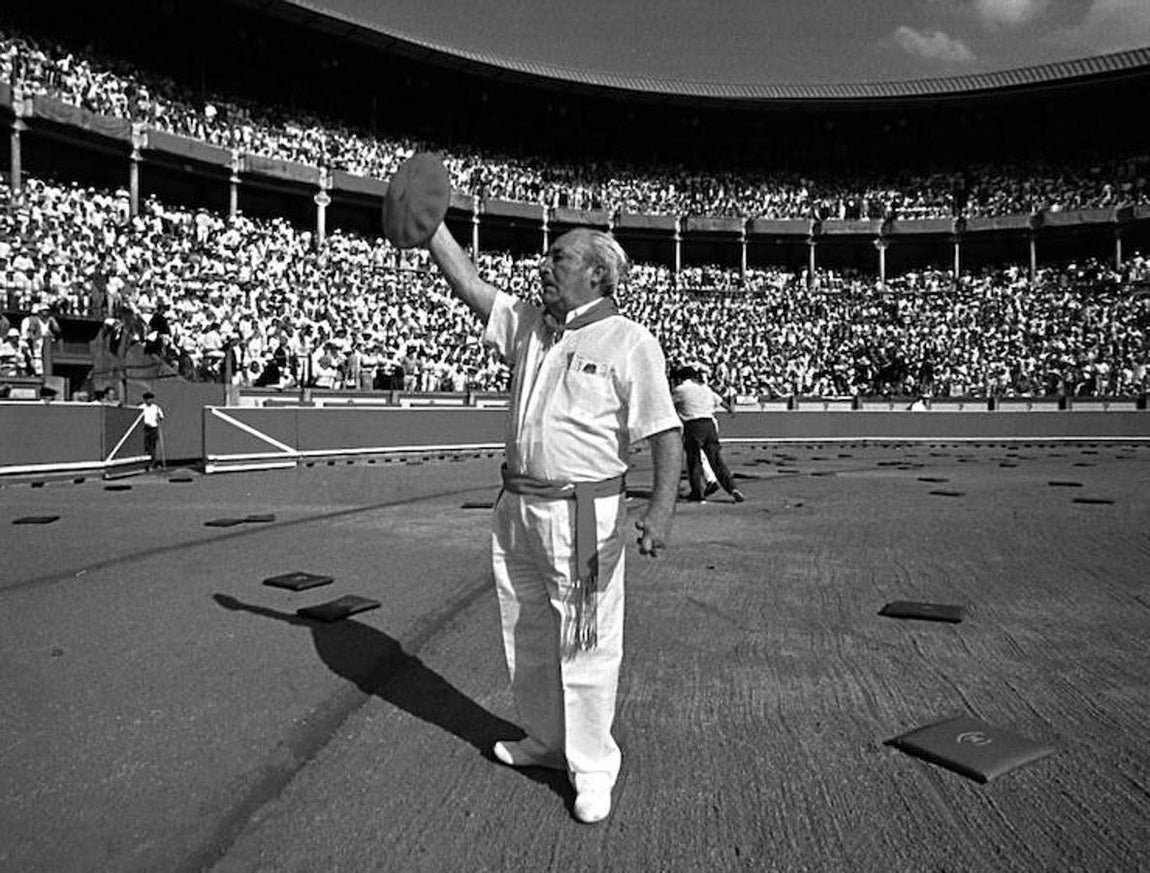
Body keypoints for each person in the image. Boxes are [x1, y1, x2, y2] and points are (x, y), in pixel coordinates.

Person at [424, 221, 682, 824]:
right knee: (527, 632)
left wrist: (661, 509)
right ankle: (545, 741)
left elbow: (664, 430)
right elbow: (470, 285)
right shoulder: (530, 326)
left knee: (586, 641)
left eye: (559, 257)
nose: (544, 265)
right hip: (516, 508)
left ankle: (592, 766)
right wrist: (431, 228)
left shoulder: (629, 341)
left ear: (597, 273)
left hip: (584, 515)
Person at [670, 366, 745, 503]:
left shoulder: (680, 390)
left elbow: (670, 406)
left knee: (694, 461)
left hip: (693, 425)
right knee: (716, 460)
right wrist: (730, 410)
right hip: (709, 425)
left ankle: (697, 493)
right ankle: (732, 488)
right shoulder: (705, 388)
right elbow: (721, 401)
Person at [140, 391, 165, 470]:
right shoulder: (141, 407)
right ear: (145, 399)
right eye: (148, 399)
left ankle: (152, 464)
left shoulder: (156, 407)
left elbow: (161, 417)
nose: (150, 400)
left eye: (151, 398)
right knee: (145, 446)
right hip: (144, 428)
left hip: (153, 428)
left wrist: (159, 417)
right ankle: (145, 464)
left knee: (152, 446)